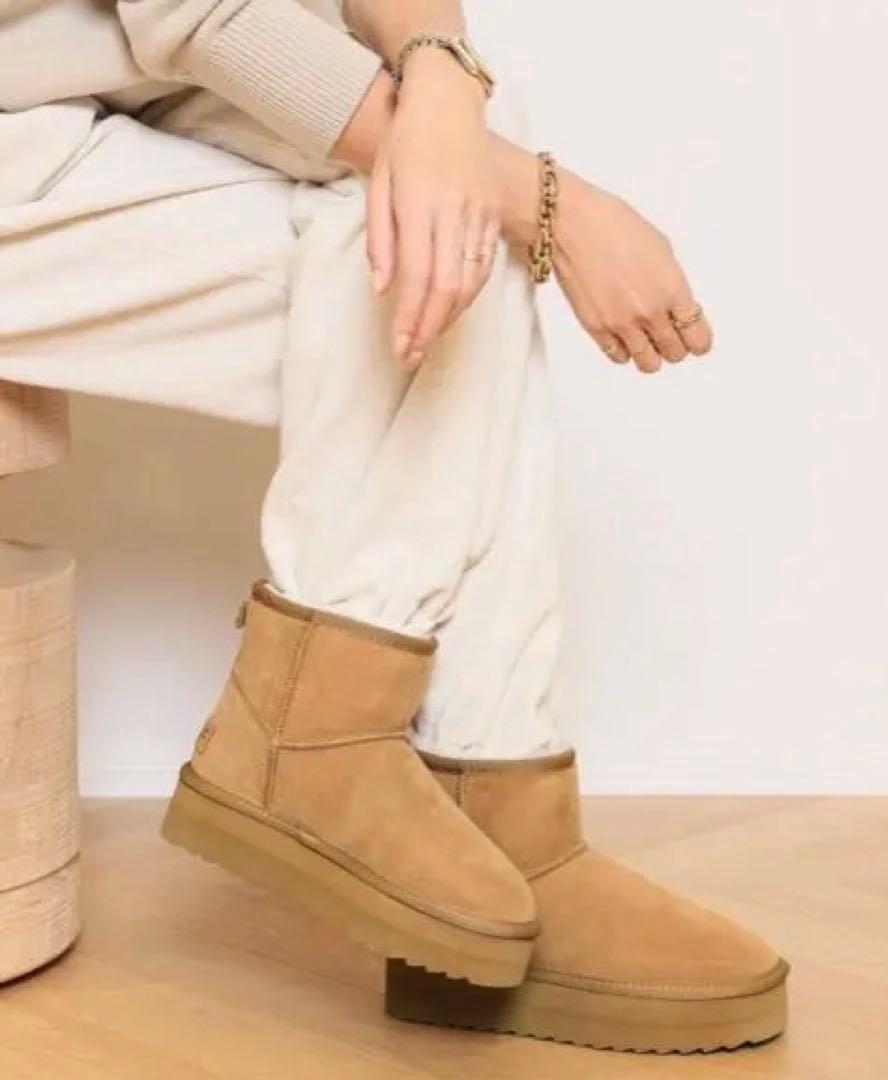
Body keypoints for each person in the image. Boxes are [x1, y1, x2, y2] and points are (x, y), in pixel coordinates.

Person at [0, 0, 787, 1054]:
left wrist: (443, 74)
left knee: (434, 196)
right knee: (437, 215)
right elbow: (199, 11)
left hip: (82, 94)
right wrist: (547, 198)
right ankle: (318, 736)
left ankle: (489, 805)